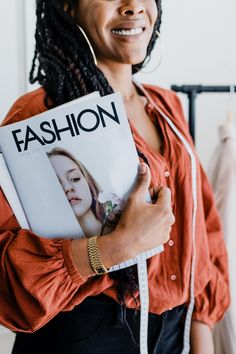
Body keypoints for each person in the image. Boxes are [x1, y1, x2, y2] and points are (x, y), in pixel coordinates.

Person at [0, 1, 230, 354]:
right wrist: (113, 248)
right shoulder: (39, 117)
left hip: (174, 335)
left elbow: (203, 231)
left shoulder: (167, 107)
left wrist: (201, 330)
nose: (133, 7)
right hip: (82, 336)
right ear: (67, 7)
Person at [47, 147, 119, 237]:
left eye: (75, 178)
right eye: (57, 185)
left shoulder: (123, 222)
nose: (67, 188)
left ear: (89, 183)